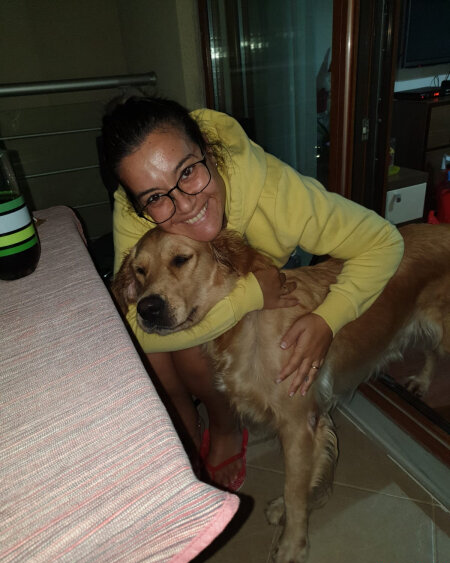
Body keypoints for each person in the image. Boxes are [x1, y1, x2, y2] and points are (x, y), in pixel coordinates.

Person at [101, 96, 404, 491]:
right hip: (244, 291)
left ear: (208, 153)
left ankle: (224, 427)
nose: (185, 204)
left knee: (188, 346)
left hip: (251, 279)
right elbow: (131, 329)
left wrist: (328, 319)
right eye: (155, 197)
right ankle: (182, 424)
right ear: (138, 205)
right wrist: (251, 297)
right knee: (156, 354)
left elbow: (385, 242)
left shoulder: (279, 194)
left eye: (189, 171)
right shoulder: (132, 213)